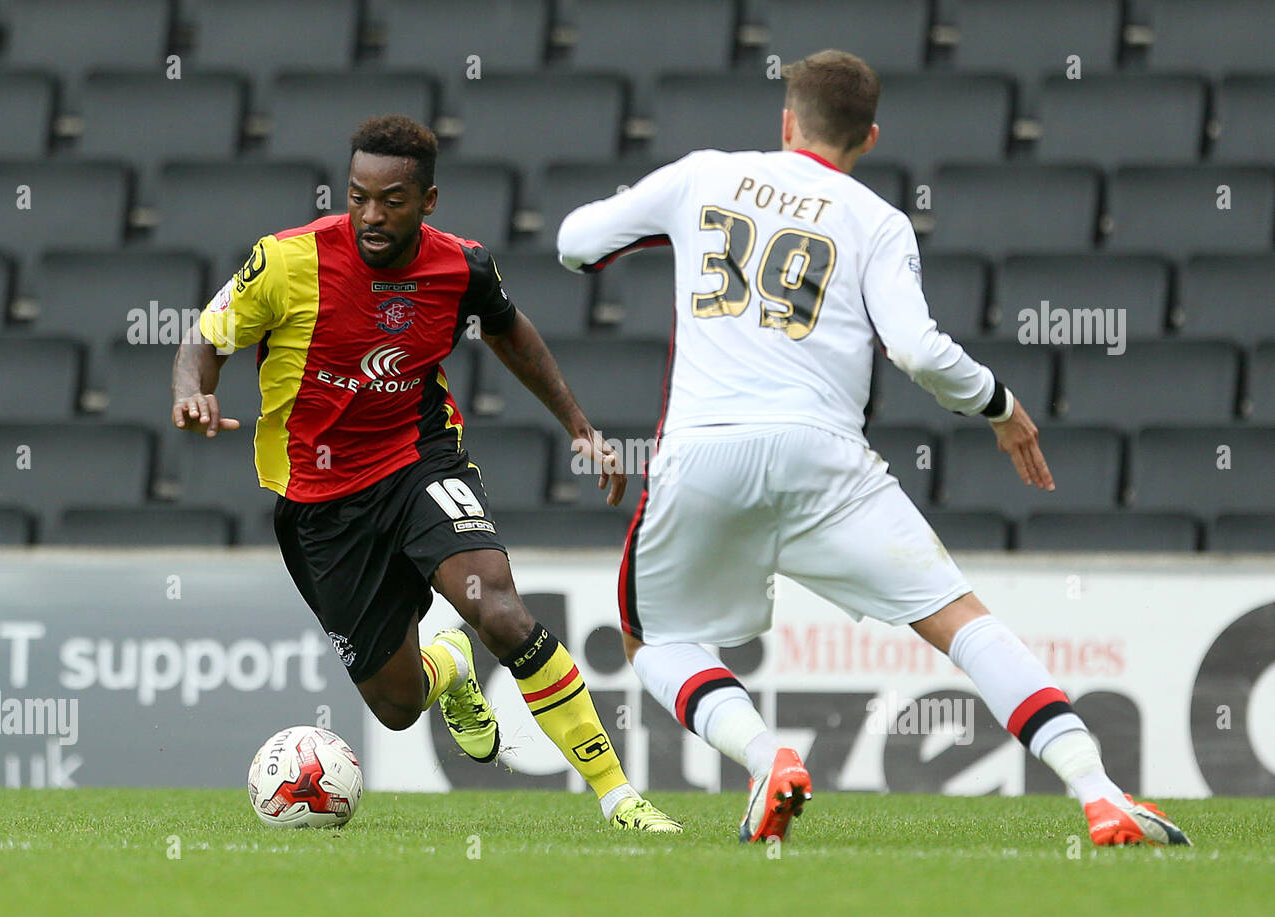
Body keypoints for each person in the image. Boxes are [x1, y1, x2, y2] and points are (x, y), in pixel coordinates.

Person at [557, 50, 1188, 847]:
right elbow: (918, 351)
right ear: (870, 137)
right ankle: (1099, 793)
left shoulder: (704, 175)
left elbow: (576, 241)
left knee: (653, 642)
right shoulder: (877, 220)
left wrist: (671, 226)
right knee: (962, 621)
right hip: (826, 461)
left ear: (786, 121)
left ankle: (766, 756)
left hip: (706, 450)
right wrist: (1000, 406)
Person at [172, 114, 679, 833]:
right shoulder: (286, 263)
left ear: (428, 200)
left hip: (418, 460)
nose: (372, 216)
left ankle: (618, 795)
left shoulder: (460, 265)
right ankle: (447, 665)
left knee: (499, 607)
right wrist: (191, 390)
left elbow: (510, 330)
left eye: (393, 199)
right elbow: (206, 337)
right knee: (399, 705)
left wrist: (578, 425)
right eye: (358, 197)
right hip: (320, 501)